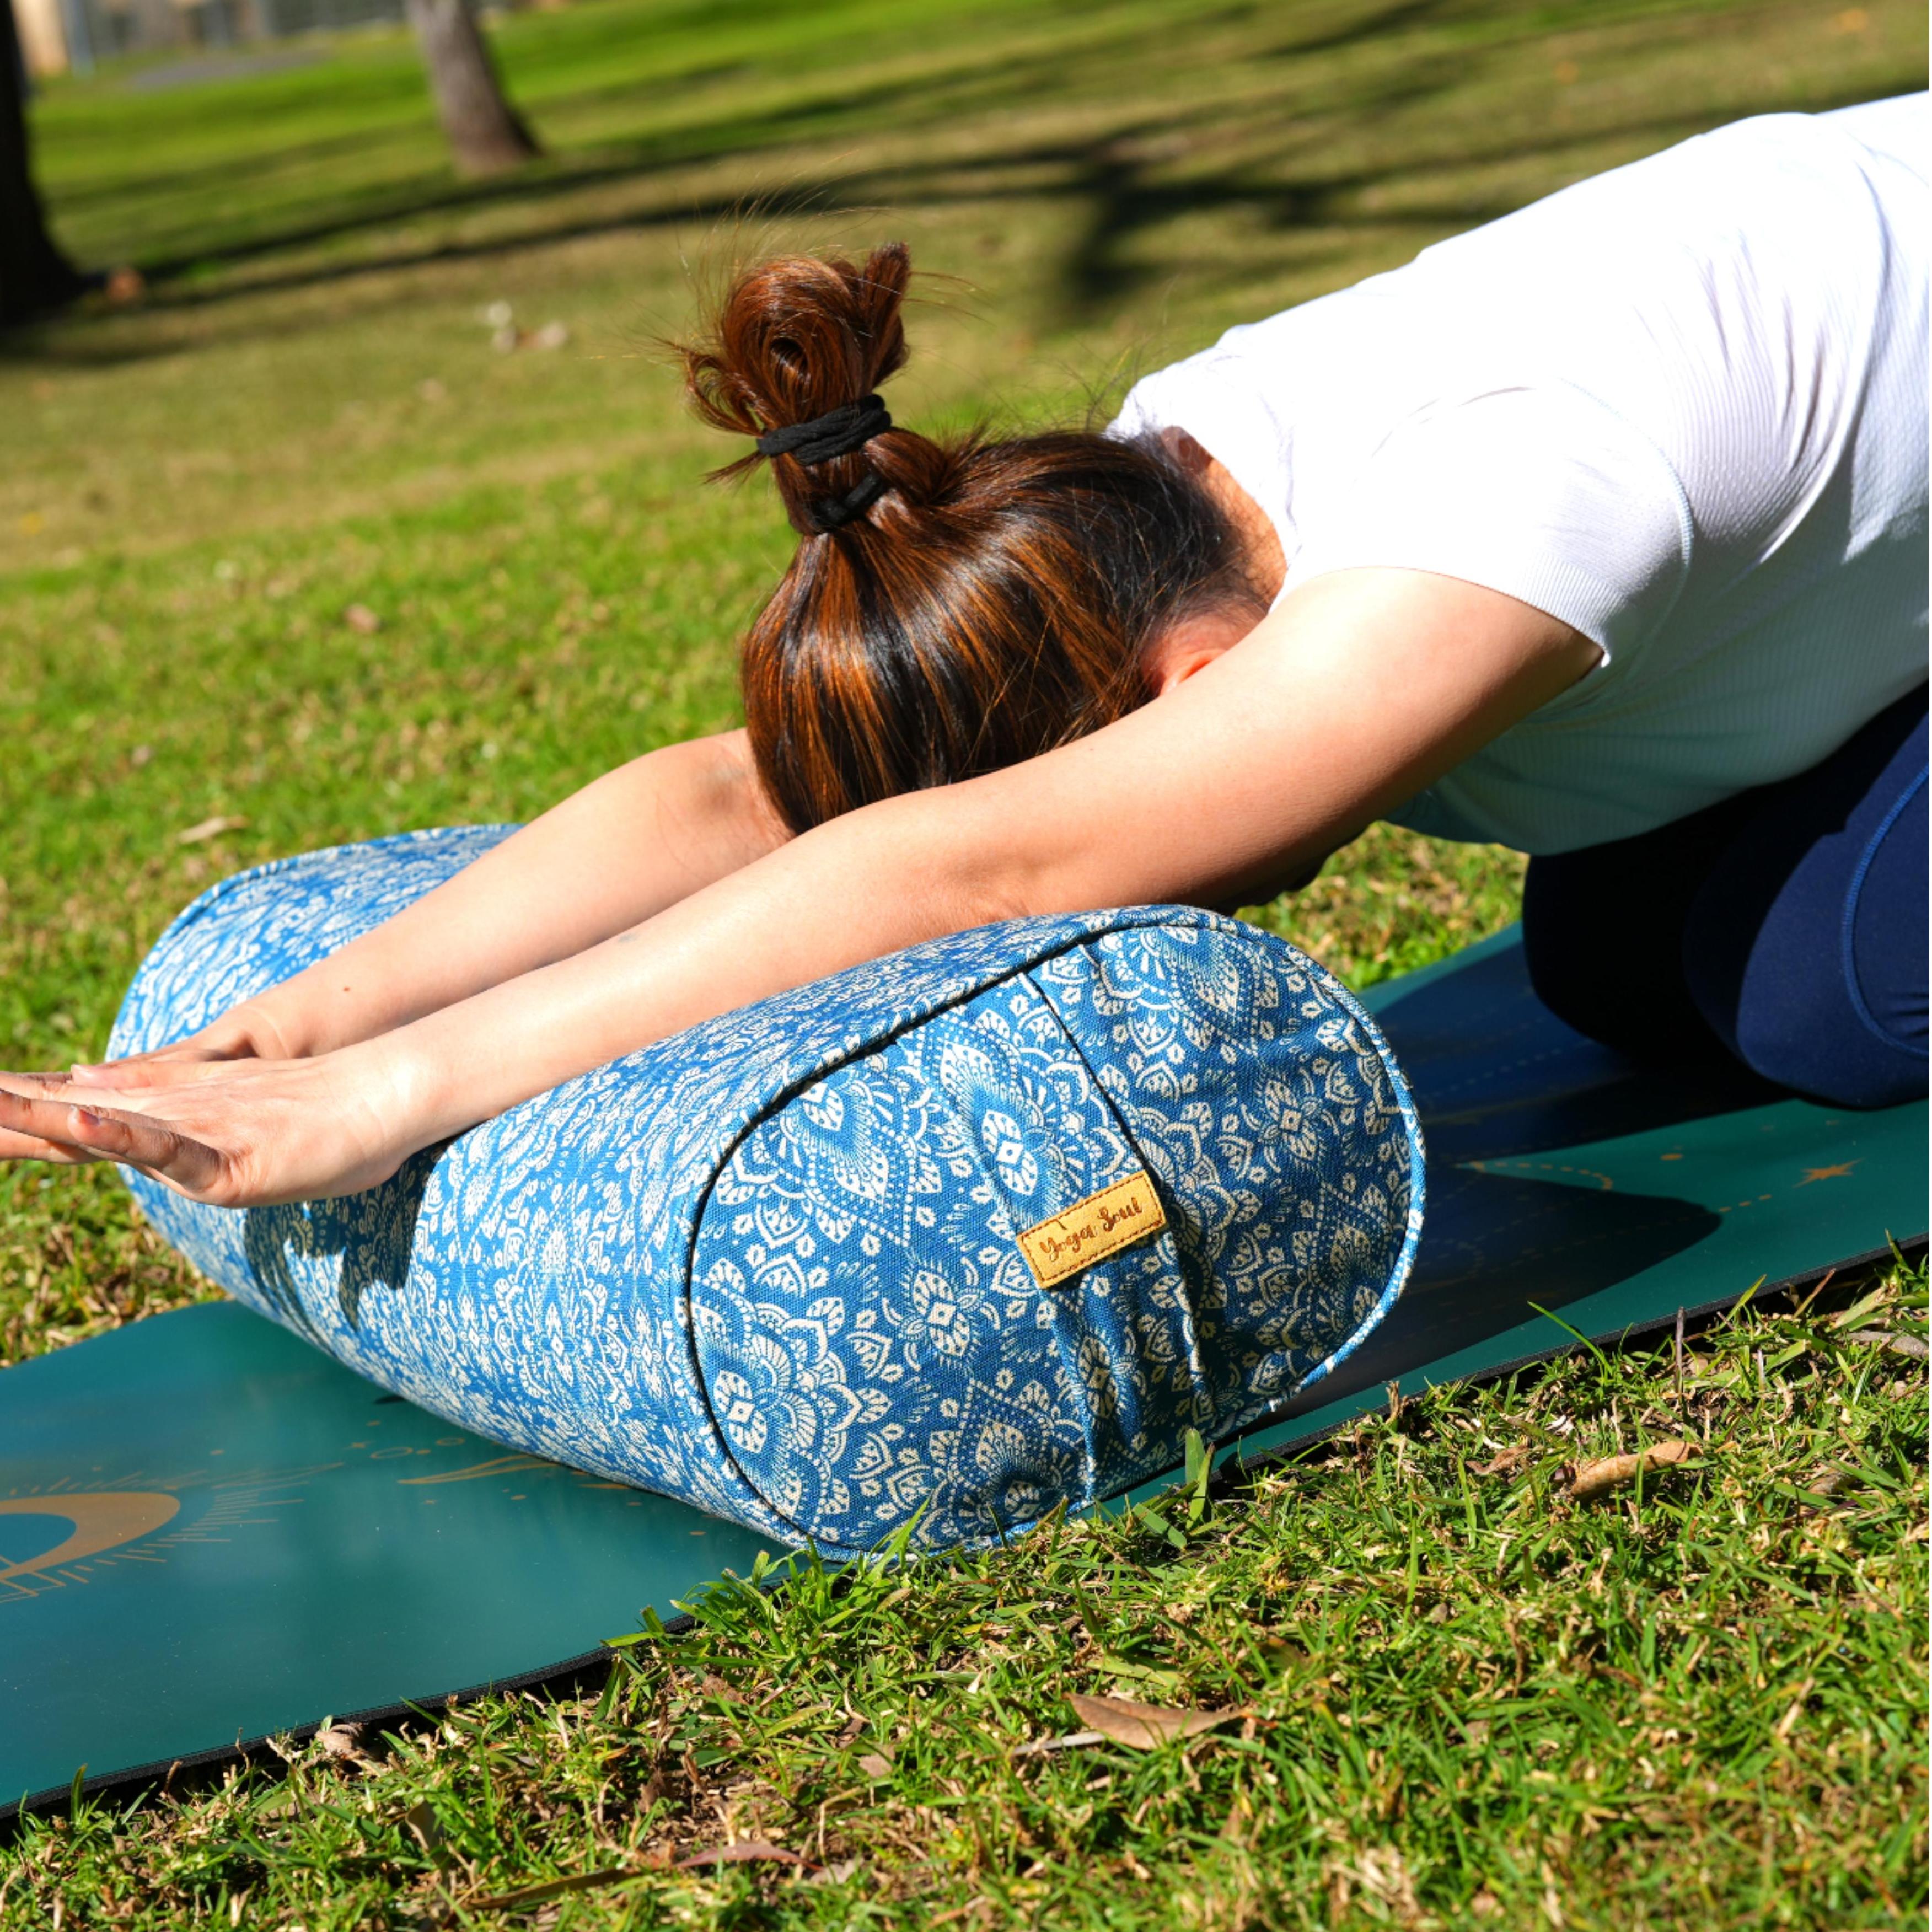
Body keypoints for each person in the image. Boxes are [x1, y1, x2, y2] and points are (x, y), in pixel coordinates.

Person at [2, 95, 1924, 1206]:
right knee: (1617, 962)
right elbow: (767, 798)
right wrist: (316, 1018)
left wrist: (398, 1104)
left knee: (1830, 1002)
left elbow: (979, 856)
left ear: (1174, 709)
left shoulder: (1513, 498)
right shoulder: (1144, 495)